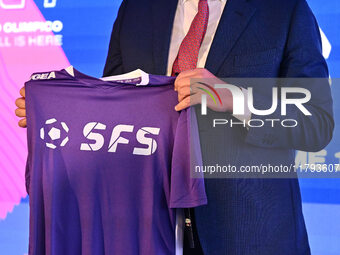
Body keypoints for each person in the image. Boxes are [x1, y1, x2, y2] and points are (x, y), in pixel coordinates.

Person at [15, 0, 334, 254]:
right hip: (149, 232)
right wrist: (57, 119)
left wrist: (235, 97)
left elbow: (316, 122)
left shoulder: (284, 8)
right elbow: (115, 113)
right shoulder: (137, 8)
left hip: (251, 235)